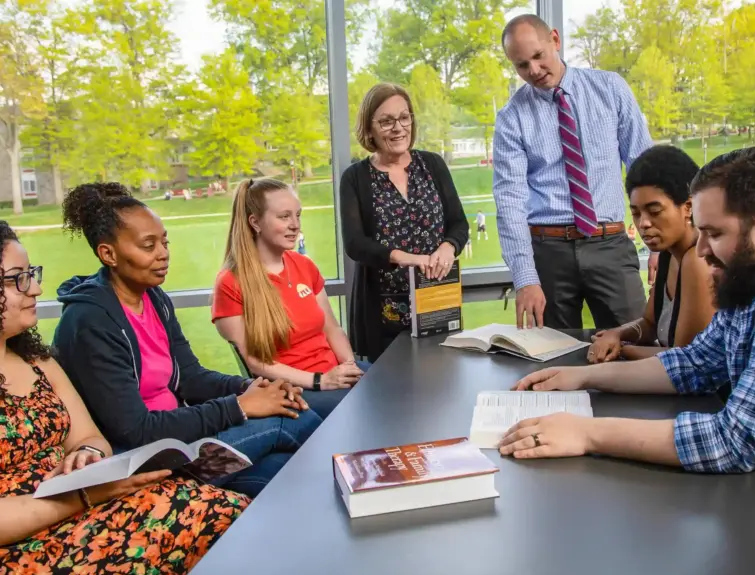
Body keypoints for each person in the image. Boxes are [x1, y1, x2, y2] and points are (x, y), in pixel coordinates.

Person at [501, 147, 755, 481]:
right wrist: (582, 377)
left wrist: (586, 433)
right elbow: (695, 363)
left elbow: (736, 440)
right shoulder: (752, 289)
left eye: (715, 234)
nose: (703, 250)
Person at [0, 221, 249, 575]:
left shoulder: (37, 361)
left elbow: (89, 436)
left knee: (228, 512)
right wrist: (84, 495)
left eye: (31, 274)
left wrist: (88, 456)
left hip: (85, 502)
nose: (36, 288)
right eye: (17, 278)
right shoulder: (91, 320)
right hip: (30, 543)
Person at [53, 183, 321, 498]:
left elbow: (192, 378)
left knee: (287, 472)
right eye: (148, 245)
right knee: (291, 419)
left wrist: (253, 388)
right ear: (108, 254)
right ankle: (367, 476)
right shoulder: (90, 322)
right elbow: (135, 430)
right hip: (150, 459)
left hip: (183, 442)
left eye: (164, 241)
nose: (163, 253)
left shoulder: (154, 298)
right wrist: (239, 406)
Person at [494, 14, 652, 330]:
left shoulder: (610, 89)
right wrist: (526, 279)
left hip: (610, 244)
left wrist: (661, 245)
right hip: (547, 253)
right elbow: (510, 201)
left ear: (555, 39)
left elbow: (644, 169)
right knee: (551, 358)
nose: (534, 71)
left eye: (538, 56)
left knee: (637, 342)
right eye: (522, 65)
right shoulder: (511, 118)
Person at [213, 178, 366, 419]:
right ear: (255, 222)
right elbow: (255, 363)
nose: (295, 225)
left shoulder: (304, 265)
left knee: (397, 392)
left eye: (298, 215)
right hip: (295, 387)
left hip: (333, 373)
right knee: (371, 410)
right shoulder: (231, 284)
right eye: (284, 217)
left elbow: (332, 328)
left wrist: (349, 366)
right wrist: (320, 381)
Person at [340, 82, 470, 361]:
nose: (398, 127)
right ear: (370, 127)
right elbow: (355, 244)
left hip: (436, 302)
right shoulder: (355, 177)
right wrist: (408, 258)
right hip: (382, 313)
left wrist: (448, 247)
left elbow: (459, 223)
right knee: (390, 398)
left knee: (442, 385)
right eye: (386, 121)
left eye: (404, 117)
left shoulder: (432, 165)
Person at [588, 146, 715, 363]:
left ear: (688, 207)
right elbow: (648, 324)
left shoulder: (697, 260)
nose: (643, 223)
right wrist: (616, 334)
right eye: (636, 213)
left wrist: (619, 349)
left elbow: (684, 358)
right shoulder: (668, 253)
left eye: (654, 211)